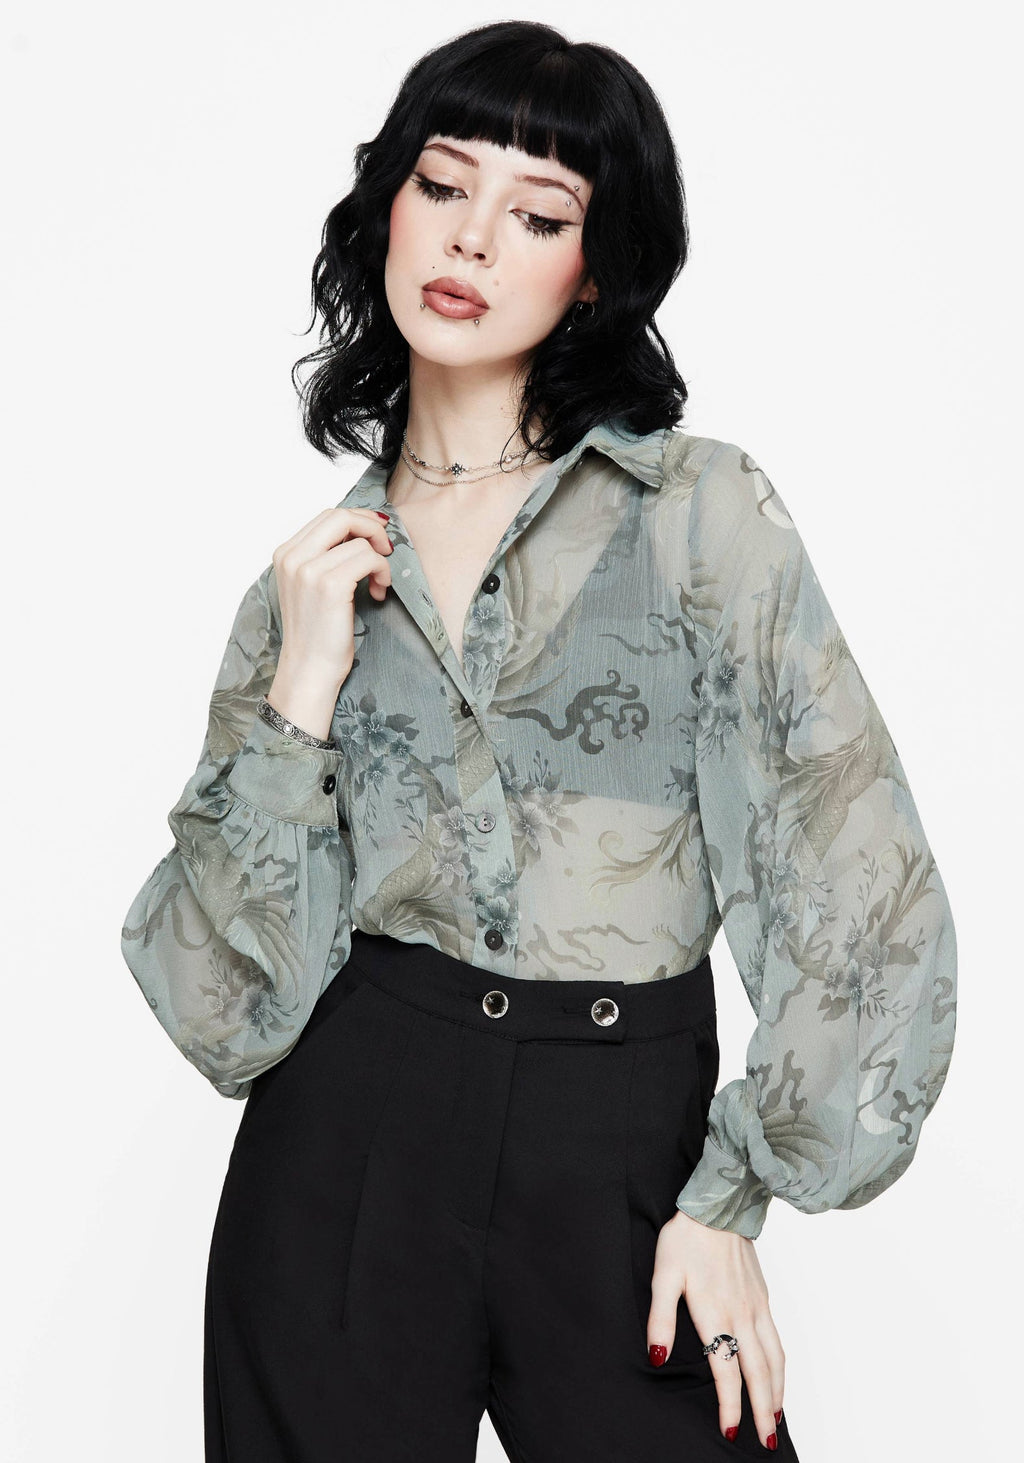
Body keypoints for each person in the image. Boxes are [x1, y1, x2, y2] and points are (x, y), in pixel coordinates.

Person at [121, 20, 958, 1463]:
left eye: (540, 214)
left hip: (619, 1132)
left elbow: (854, 877)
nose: (473, 239)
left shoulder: (698, 517)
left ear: (598, 266)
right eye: (444, 185)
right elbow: (220, 1012)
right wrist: (302, 687)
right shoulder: (308, 586)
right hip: (345, 1142)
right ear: (387, 206)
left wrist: (729, 1198)